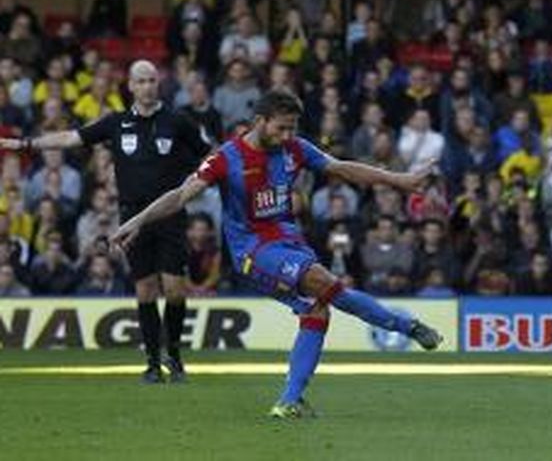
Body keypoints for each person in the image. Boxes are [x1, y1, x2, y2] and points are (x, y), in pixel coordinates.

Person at [110, 89, 442, 418]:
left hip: (289, 242)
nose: (287, 135)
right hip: (253, 250)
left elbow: (342, 168)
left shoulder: (294, 149)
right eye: (281, 128)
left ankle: (289, 401)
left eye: (292, 128)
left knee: (317, 311)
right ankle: (406, 326)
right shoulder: (226, 158)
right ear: (260, 121)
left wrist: (399, 180)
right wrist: (137, 221)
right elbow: (181, 195)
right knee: (325, 284)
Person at [0, 60, 210, 383]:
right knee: (145, 289)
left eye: (153, 80)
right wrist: (27, 144)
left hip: (169, 213)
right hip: (130, 216)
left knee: (175, 288)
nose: (148, 86)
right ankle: (153, 362)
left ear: (159, 84)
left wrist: (202, 184)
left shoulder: (177, 121)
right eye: (141, 81)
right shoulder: (116, 122)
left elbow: (210, 155)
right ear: (130, 86)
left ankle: (176, 355)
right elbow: (72, 137)